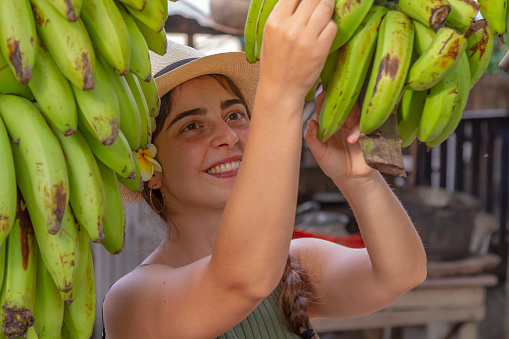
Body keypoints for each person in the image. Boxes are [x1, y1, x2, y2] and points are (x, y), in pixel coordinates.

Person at [103, 0, 427, 337]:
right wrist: (283, 90)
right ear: (150, 169)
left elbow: (401, 274)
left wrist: (359, 178)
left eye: (235, 115)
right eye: (191, 127)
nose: (227, 137)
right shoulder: (131, 300)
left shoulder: (292, 268)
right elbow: (240, 282)